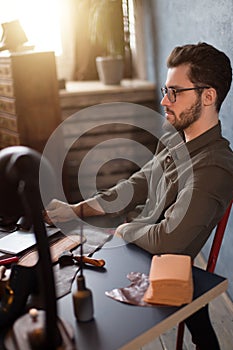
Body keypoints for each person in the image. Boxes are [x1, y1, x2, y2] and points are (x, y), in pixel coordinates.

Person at [45, 42, 233, 349]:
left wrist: (122, 229)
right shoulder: (176, 135)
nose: (164, 100)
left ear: (208, 96)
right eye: (165, 89)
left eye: (175, 92)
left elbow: (169, 240)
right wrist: (77, 209)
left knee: (76, 310)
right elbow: (138, 183)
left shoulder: (214, 168)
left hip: (157, 261)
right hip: (135, 244)